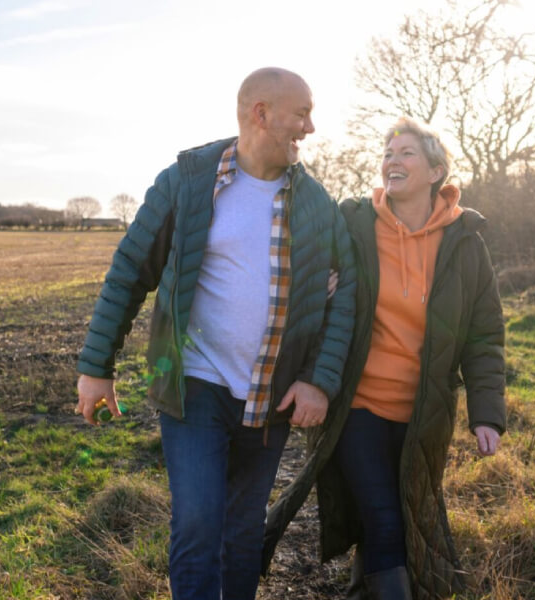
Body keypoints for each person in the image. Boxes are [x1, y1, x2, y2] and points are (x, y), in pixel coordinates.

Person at [74, 67, 356, 600]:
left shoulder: (316, 205)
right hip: (193, 383)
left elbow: (346, 297)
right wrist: (96, 367)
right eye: (302, 114)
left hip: (269, 395)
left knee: (242, 532)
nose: (311, 127)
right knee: (200, 522)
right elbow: (131, 269)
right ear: (261, 113)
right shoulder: (188, 181)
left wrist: (319, 380)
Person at [262, 117, 506, 600]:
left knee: (401, 515)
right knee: (381, 514)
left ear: (437, 172)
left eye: (407, 153)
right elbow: (299, 257)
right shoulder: (354, 222)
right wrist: (319, 285)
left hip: (423, 412)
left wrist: (487, 415)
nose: (393, 161)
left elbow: (484, 337)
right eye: (388, 154)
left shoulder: (465, 243)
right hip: (356, 403)